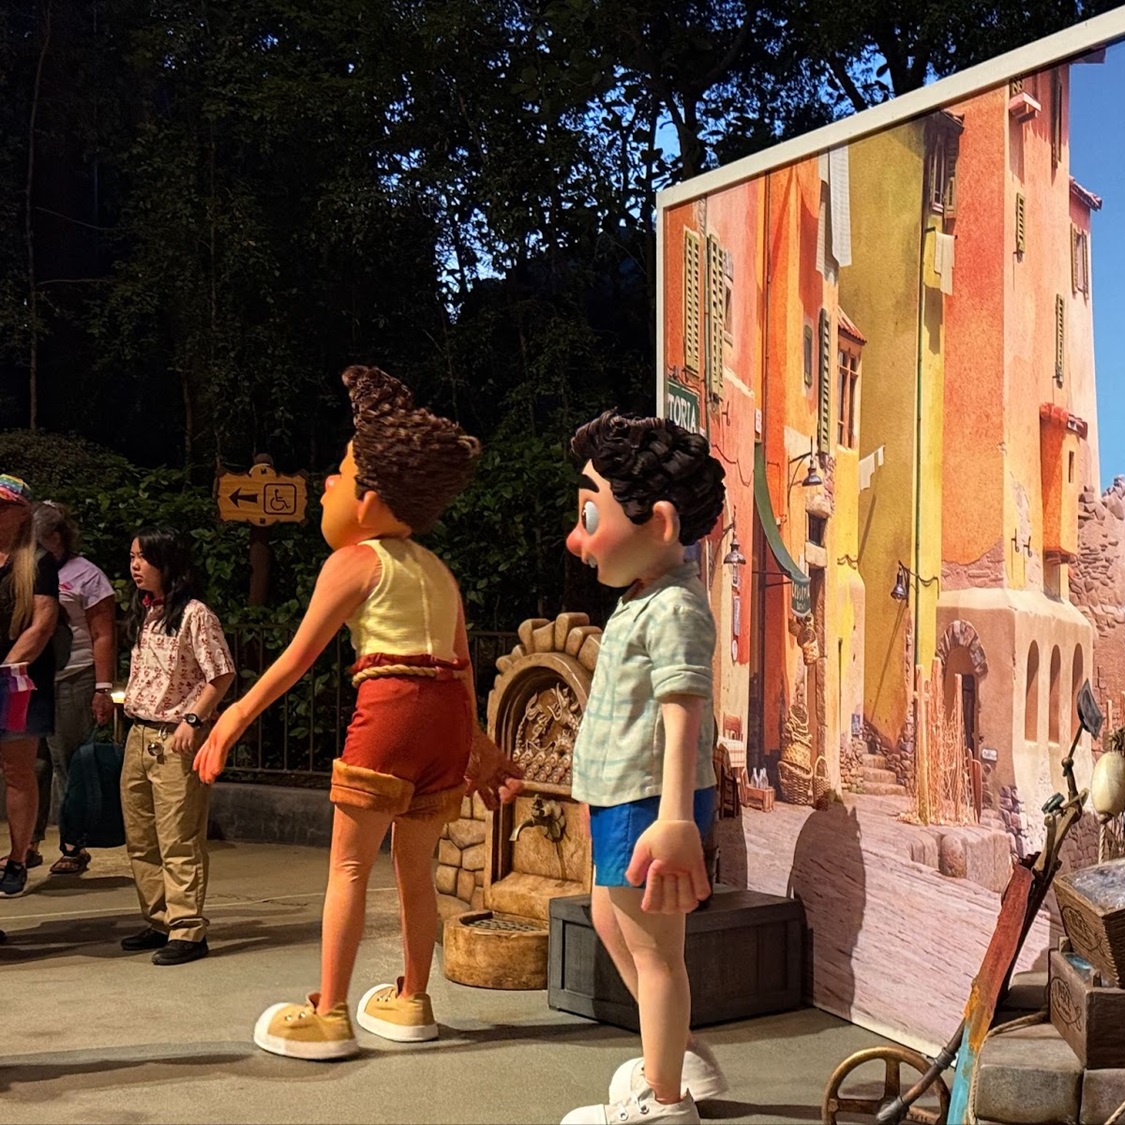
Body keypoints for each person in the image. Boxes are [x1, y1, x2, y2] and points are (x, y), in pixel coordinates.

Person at [196, 365, 523, 1060]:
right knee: (415, 868)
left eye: (340, 476)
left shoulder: (355, 561)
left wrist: (234, 716)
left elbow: (297, 657)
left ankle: (330, 1013)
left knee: (348, 865)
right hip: (445, 720)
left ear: (370, 499)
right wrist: (478, 745)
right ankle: (413, 1000)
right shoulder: (439, 571)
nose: (326, 485)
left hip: (392, 708)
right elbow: (462, 668)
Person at [560, 410, 730, 1125]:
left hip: (650, 804)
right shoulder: (643, 600)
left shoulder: (675, 609)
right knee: (613, 919)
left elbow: (682, 712)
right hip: (625, 801)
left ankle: (663, 1102)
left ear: (659, 523)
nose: (577, 539)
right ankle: (680, 1056)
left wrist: (673, 818)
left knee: (657, 953)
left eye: (590, 515)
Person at [119, 527, 234, 965]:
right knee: (141, 836)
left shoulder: (195, 614)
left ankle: (187, 929)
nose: (135, 566)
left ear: (167, 563)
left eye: (144, 558)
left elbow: (221, 673)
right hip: (140, 732)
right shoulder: (147, 611)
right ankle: (159, 920)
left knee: (178, 837)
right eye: (132, 557)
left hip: (176, 736)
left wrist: (193, 718)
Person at [32, 500, 117, 875]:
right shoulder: (27, 569)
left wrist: (102, 687)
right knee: (32, 764)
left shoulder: (87, 575)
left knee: (67, 762)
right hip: (31, 680)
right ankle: (28, 843)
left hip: (73, 676)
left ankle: (73, 844)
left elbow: (103, 634)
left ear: (56, 537)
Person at [0, 474, 62, 897]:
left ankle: (18, 857)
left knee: (18, 769)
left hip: (18, 679)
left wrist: (5, 670)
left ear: (22, 513)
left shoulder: (38, 562)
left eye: (3, 506)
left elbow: (41, 625)